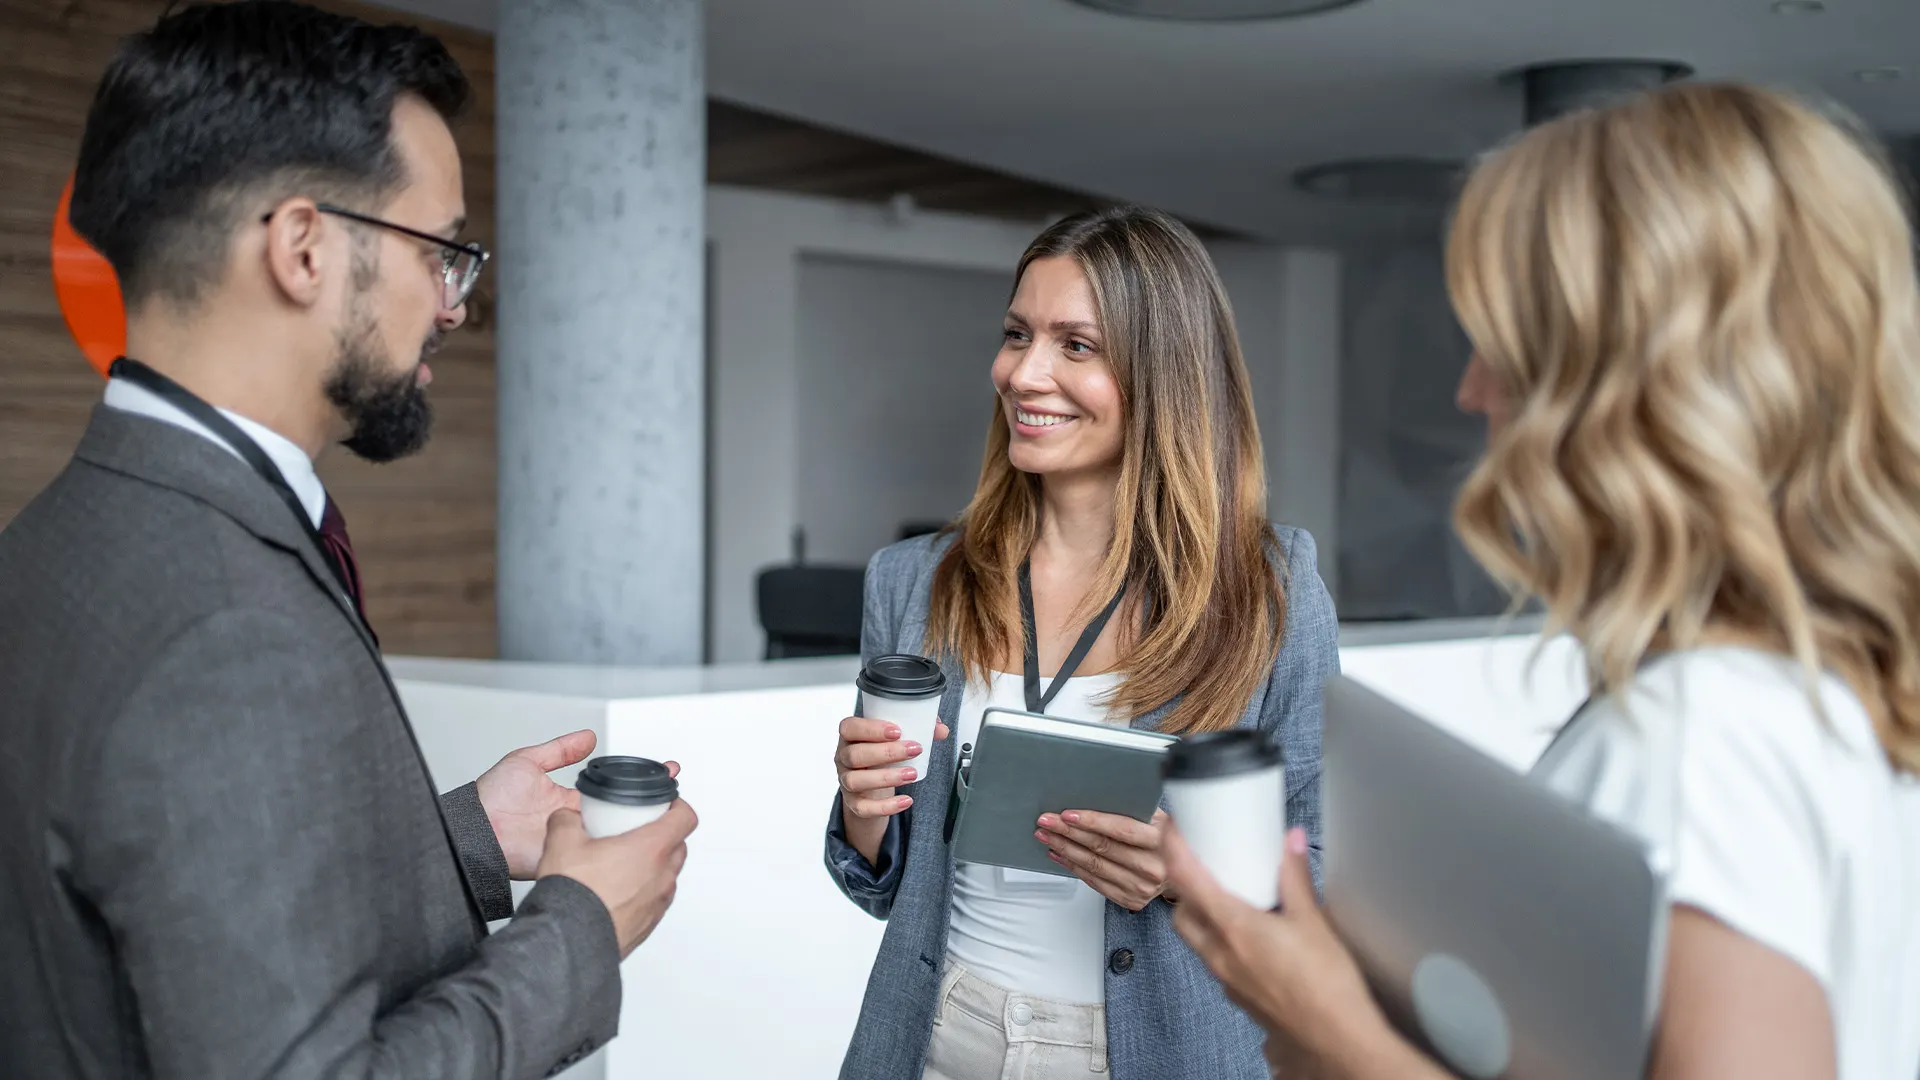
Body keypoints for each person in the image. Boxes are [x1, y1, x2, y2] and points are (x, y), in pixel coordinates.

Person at [1164, 82, 1920, 1080]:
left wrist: (1326, 1028)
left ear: (1624, 373)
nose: (1471, 388)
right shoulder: (1830, 691)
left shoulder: (1708, 735)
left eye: (1503, 338)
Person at [0, 4, 697, 1077]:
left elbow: (171, 904)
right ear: (304, 248)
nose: (456, 305)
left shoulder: (57, 544)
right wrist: (578, 931)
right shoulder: (225, 623)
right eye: (444, 251)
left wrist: (462, 836)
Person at [824, 206, 1340, 1080]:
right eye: (1017, 334)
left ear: (1163, 374)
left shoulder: (1271, 589)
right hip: (939, 1037)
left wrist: (1190, 874)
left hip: (1155, 1055)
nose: (1024, 373)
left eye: (1076, 346)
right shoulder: (914, 579)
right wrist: (864, 812)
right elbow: (885, 884)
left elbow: (1326, 870)